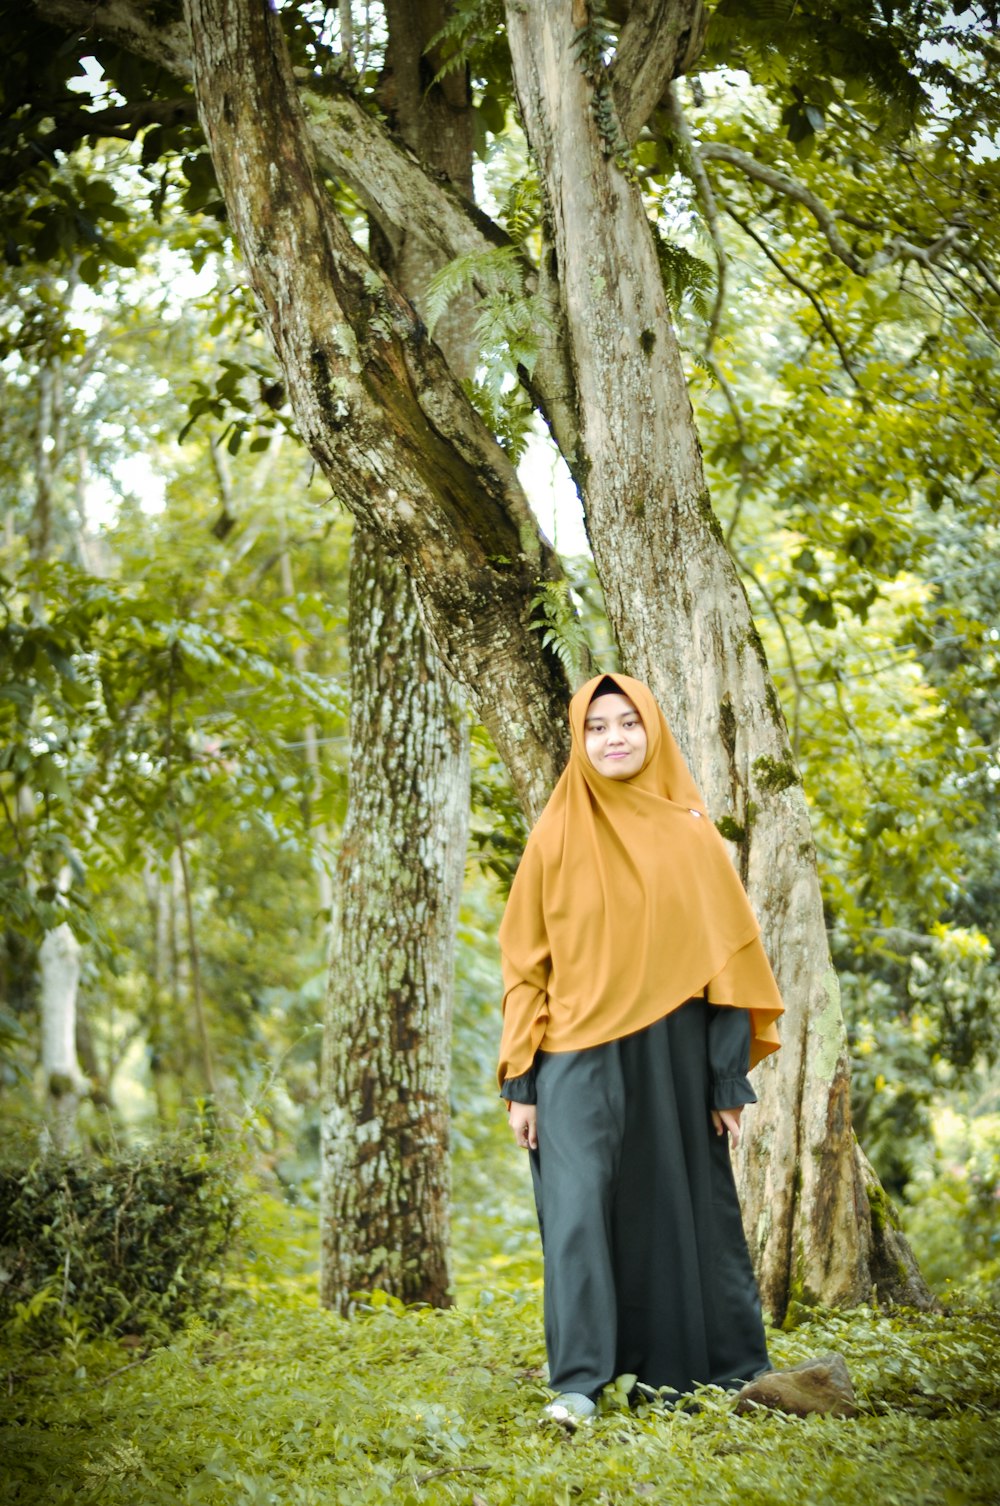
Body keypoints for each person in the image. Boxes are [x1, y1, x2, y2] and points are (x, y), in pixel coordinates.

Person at [497, 672, 784, 1423]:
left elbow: (730, 962)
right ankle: (579, 1385)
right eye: (596, 727)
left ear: (652, 730)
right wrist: (521, 1080)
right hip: (569, 1057)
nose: (613, 738)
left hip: (671, 1052)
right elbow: (525, 966)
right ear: (578, 739)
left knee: (678, 1202)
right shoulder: (555, 834)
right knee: (576, 1210)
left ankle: (696, 1371)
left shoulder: (690, 834)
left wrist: (726, 1079)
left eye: (628, 723)